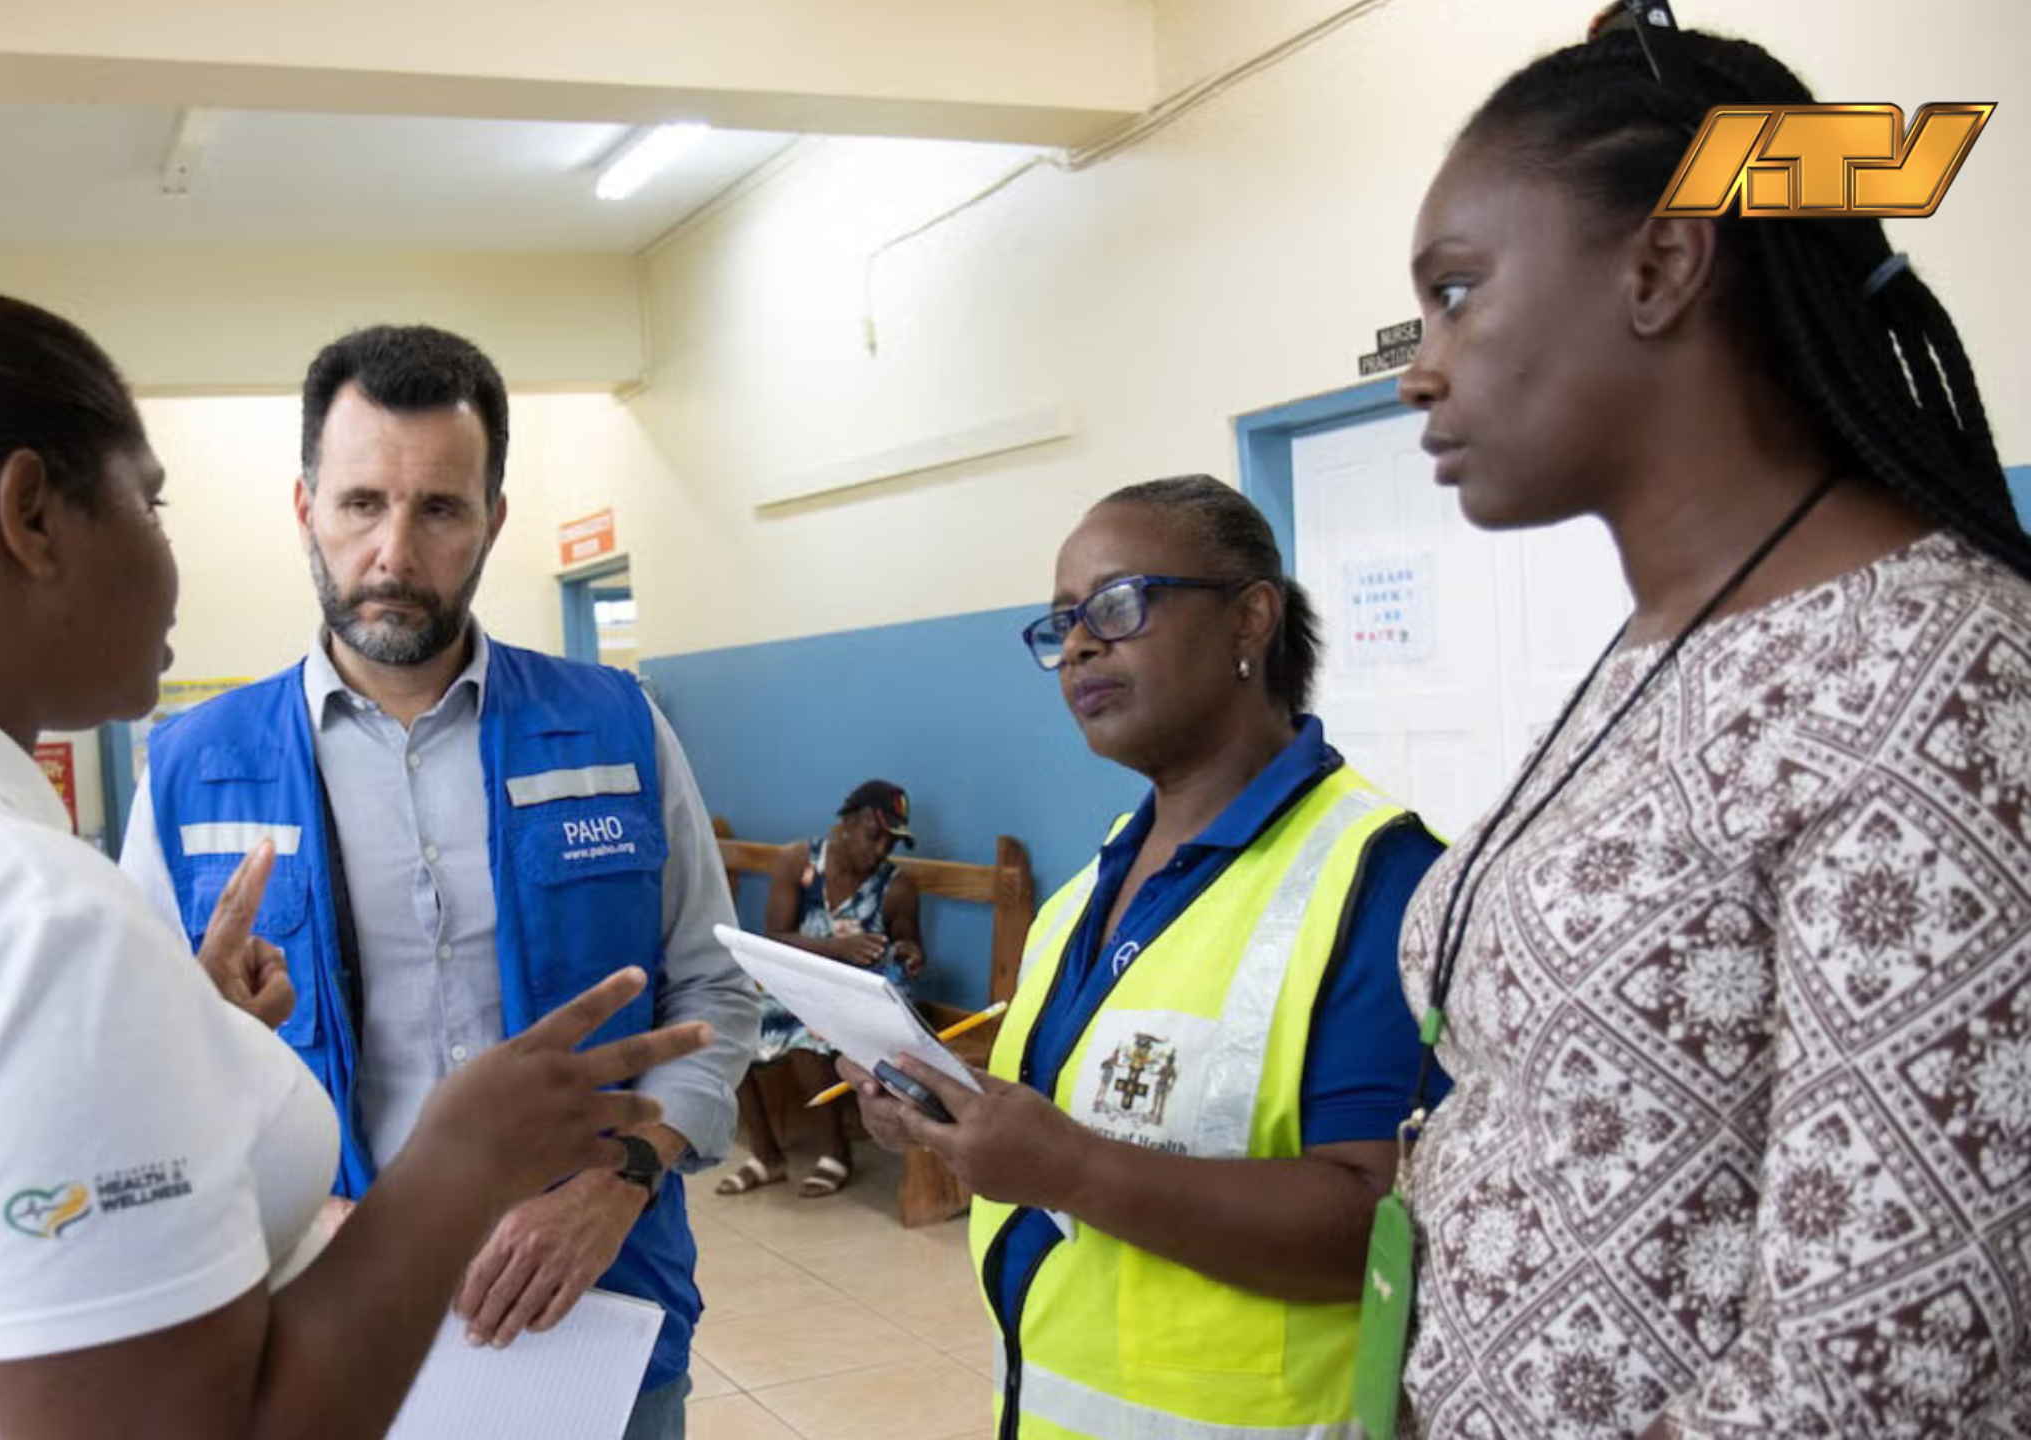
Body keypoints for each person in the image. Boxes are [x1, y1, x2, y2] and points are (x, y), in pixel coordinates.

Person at [0, 290, 710, 1440]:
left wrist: (186, 1038)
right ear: (33, 517)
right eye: (149, 503)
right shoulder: (30, 917)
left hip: (589, 1332)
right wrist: (457, 1161)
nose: (169, 561)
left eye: (440, 508)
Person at [1392, 13, 2031, 1437]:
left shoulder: (1927, 682)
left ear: (1663, 264)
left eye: (1456, 292)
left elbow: (1879, 1383)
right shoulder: (1662, 647)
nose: (1418, 369)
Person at [120, 323, 761, 1437]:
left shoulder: (614, 726)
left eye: (440, 510)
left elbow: (714, 993)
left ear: (492, 521)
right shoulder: (188, 769)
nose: (395, 554)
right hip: (325, 1318)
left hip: (600, 1306)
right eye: (361, 503)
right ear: (305, 507)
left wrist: (620, 1178)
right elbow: (128, 1059)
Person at [842, 475, 1447, 1439]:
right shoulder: (1090, 890)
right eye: (1061, 624)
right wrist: (940, 1110)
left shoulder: (1379, 882)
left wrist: (1068, 1168)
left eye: (1118, 606)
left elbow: (1379, 1226)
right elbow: (1085, 1110)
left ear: (1251, 618)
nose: (1079, 643)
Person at [715, 780, 927, 1199]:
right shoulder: (798, 862)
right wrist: (836, 947)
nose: (882, 848)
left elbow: (911, 947)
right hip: (795, 984)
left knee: (805, 1040)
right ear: (848, 823)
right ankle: (766, 1155)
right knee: (731, 1030)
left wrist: (910, 952)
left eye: (892, 841)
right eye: (875, 834)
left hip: (856, 997)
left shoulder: (896, 887)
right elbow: (773, 936)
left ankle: (836, 1153)